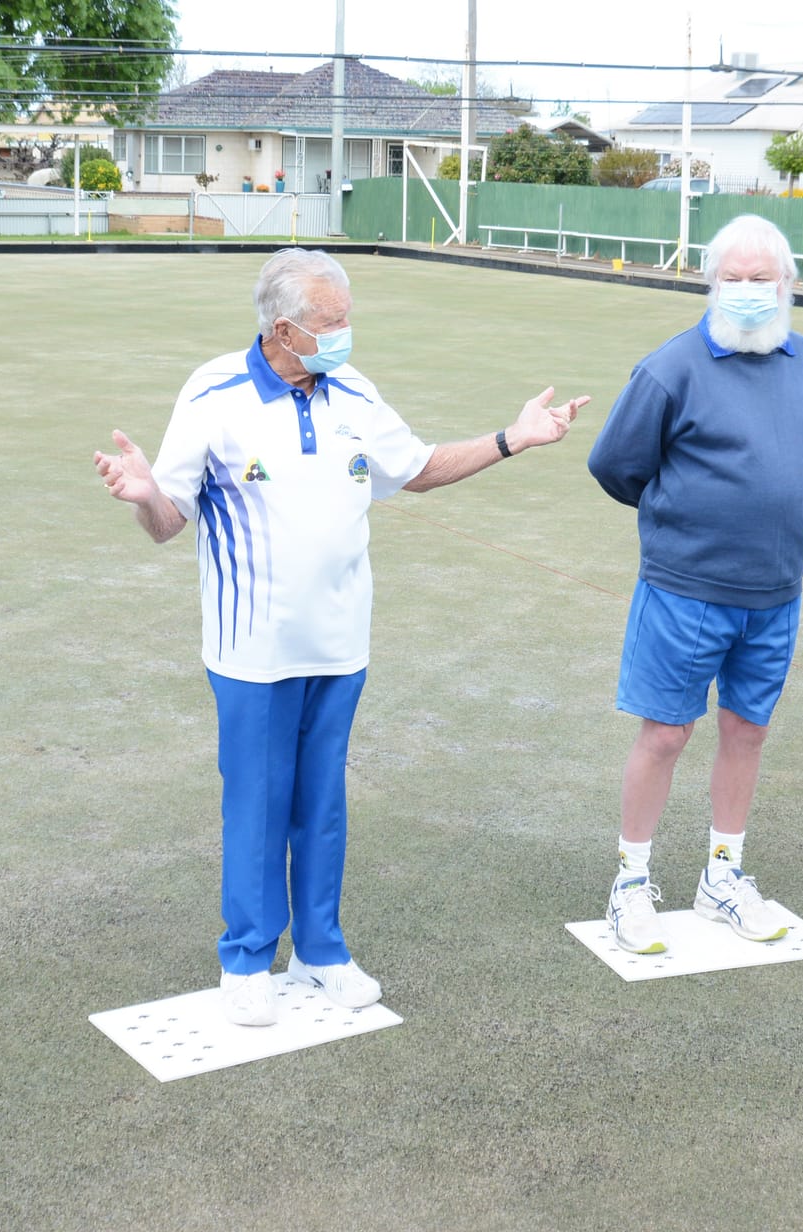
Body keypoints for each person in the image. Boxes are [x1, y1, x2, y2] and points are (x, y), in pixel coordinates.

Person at [94, 248, 588, 1026]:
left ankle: (321, 949)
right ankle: (248, 959)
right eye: (331, 323)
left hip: (340, 642)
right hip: (252, 648)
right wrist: (144, 493)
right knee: (258, 800)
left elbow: (417, 467)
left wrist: (512, 438)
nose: (346, 334)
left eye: (348, 319)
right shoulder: (214, 394)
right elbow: (168, 522)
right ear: (284, 329)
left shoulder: (353, 389)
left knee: (321, 802)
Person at [585, 214, 803, 955]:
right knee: (665, 734)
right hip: (685, 590)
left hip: (776, 591)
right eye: (736, 278)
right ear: (711, 282)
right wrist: (686, 525)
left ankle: (722, 876)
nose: (750, 291)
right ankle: (631, 883)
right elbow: (615, 465)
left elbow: (801, 452)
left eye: (764, 280)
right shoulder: (671, 368)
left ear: (789, 285)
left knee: (747, 730)